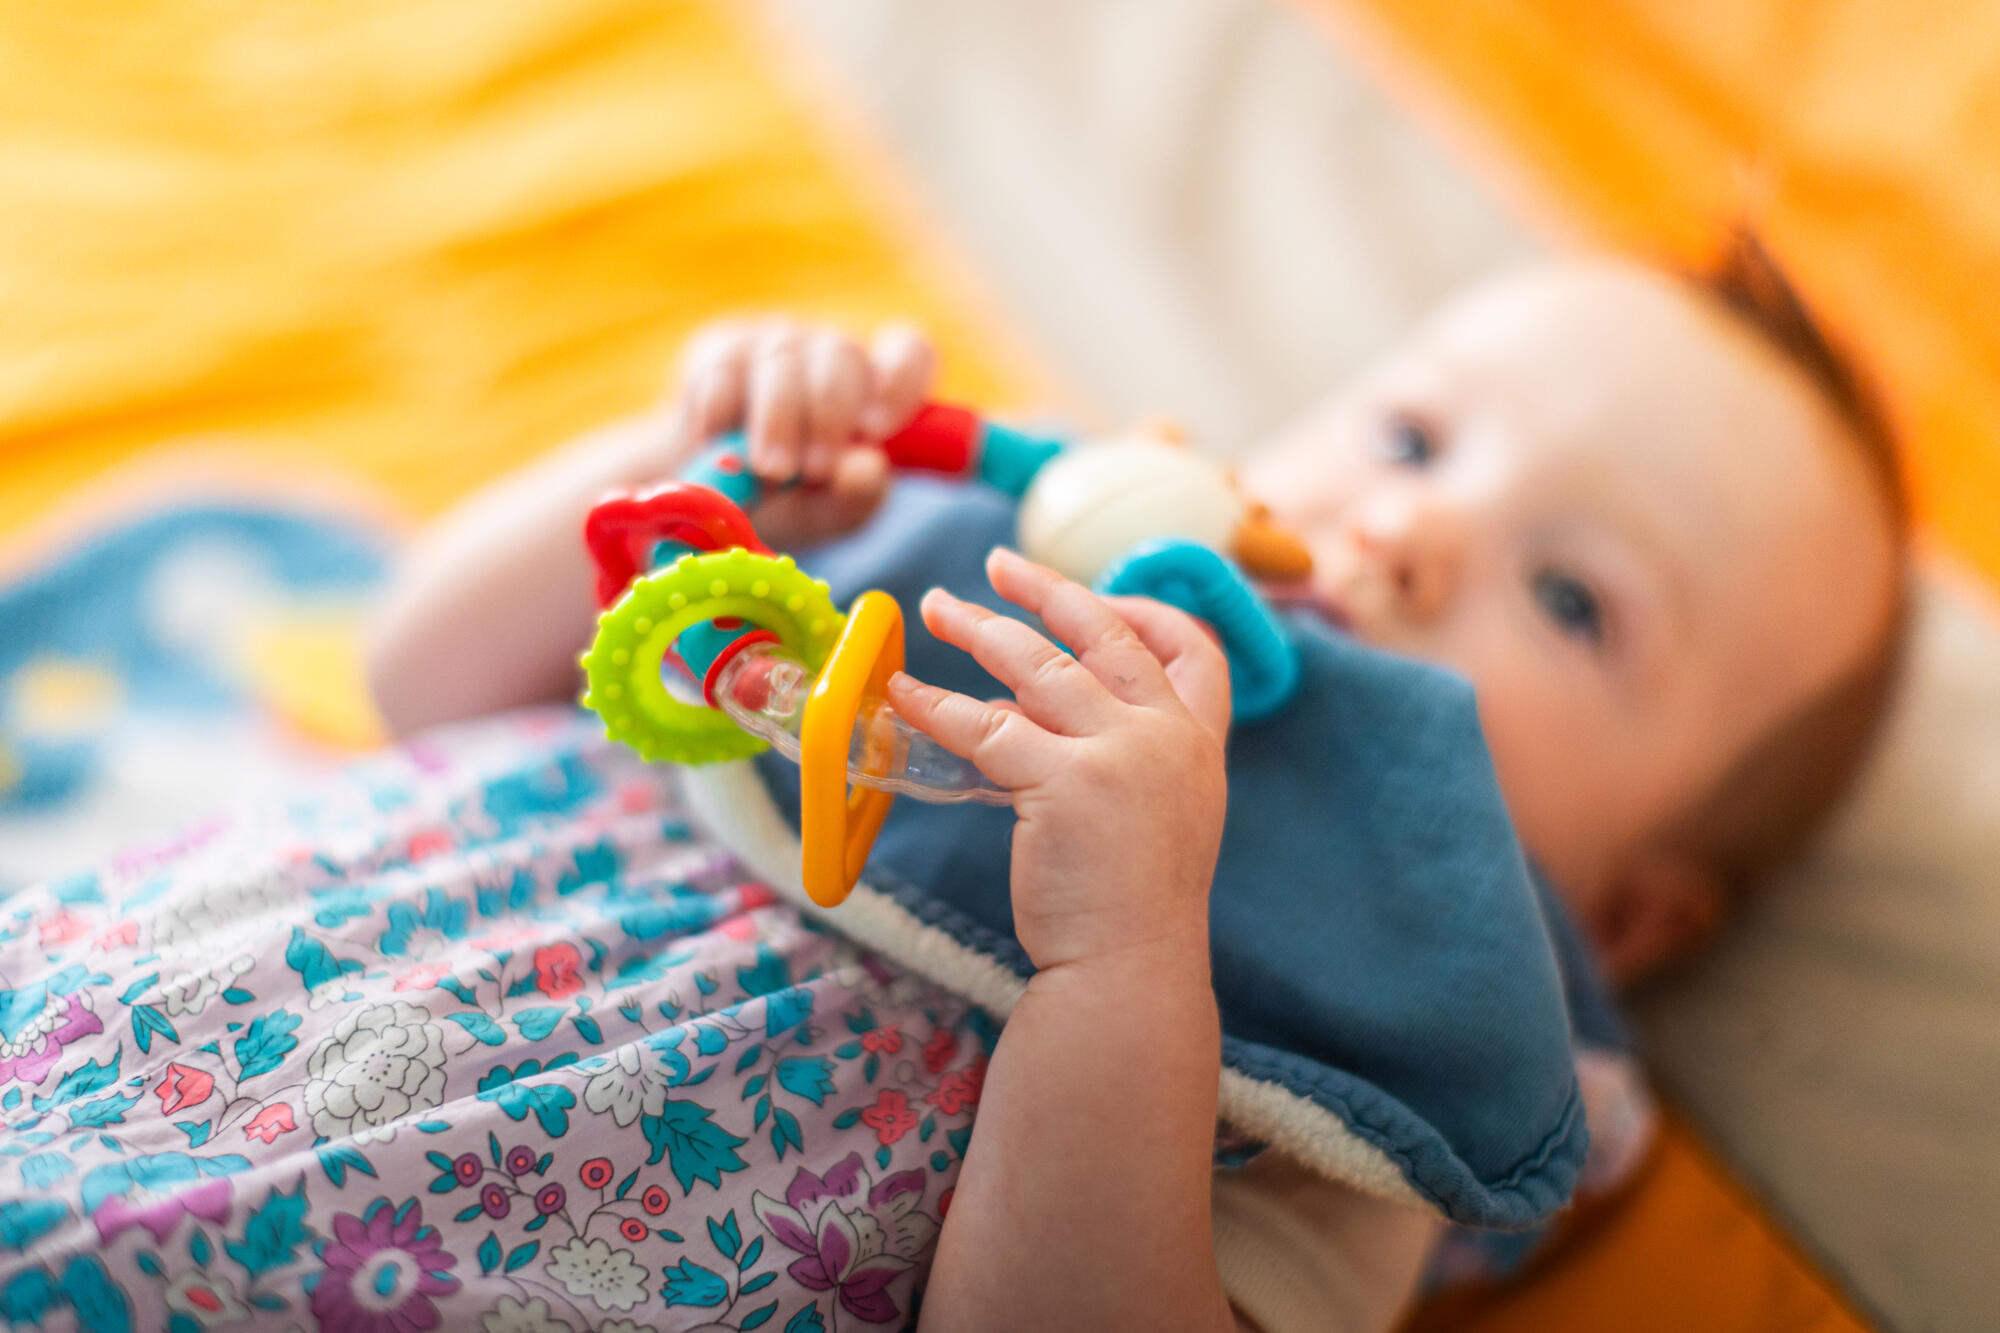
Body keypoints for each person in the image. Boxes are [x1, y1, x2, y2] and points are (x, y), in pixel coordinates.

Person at [0, 237, 1904, 1333]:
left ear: (1636, 911)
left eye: (1573, 598)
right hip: (144, 1000)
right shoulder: (967, 545)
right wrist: (709, 461)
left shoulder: (1406, 1018)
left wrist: (1128, 963)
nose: (1399, 530)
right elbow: (425, 682)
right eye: (1411, 433)